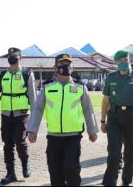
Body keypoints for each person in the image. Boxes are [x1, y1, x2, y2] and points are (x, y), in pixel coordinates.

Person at [27, 53, 98, 186]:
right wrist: (32, 129)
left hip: (73, 136)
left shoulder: (80, 87)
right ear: (55, 67)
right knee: (54, 171)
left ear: (73, 67)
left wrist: (92, 130)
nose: (65, 66)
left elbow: (88, 109)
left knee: (71, 168)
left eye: (68, 63)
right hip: (53, 136)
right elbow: (38, 109)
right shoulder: (47, 87)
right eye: (61, 64)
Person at [0, 47, 36, 184]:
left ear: (21, 58)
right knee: (7, 144)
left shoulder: (27, 74)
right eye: (10, 57)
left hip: (22, 114)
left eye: (15, 57)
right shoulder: (1, 75)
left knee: (20, 141)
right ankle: (10, 173)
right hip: (6, 114)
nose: (12, 59)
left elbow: (32, 96)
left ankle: (25, 164)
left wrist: (35, 120)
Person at [101, 50, 133, 186]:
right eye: (120, 60)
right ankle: (110, 181)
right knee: (114, 151)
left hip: (131, 117)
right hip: (114, 117)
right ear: (116, 62)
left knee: (130, 152)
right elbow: (106, 101)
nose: (124, 62)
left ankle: (127, 181)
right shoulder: (110, 78)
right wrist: (103, 121)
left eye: (126, 59)